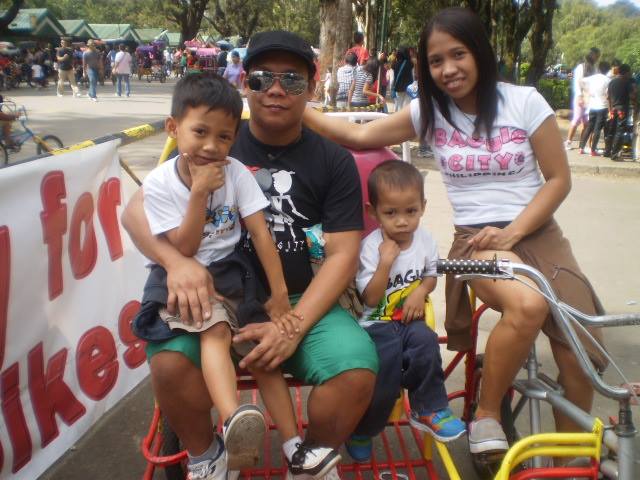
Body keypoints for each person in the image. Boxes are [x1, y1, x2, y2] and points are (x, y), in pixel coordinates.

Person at [303, 7, 607, 462]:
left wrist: (516, 232)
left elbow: (558, 180)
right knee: (527, 305)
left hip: (539, 234)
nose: (448, 69)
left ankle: (569, 463)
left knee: (579, 357)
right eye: (436, 61)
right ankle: (485, 413)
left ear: (479, 52)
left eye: (457, 55)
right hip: (477, 241)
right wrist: (294, 106)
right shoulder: (430, 111)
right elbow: (357, 136)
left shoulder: (525, 102)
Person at [122, 30, 377, 480]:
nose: (275, 89)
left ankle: (310, 455)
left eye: (292, 80)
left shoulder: (332, 160)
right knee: (168, 361)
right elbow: (134, 213)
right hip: (213, 295)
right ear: (245, 83)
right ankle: (207, 453)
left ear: (312, 88)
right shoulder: (211, 134)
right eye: (261, 78)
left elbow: (343, 254)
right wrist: (177, 263)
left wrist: (292, 326)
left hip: (298, 299)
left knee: (355, 371)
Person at [345, 160, 465, 462]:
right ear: (373, 212)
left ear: (422, 207)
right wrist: (386, 262)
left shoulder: (425, 239)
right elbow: (371, 299)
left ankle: (429, 409)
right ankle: (364, 428)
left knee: (426, 343)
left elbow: (430, 273)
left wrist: (422, 292)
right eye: (391, 213)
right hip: (375, 324)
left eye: (410, 211)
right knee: (385, 368)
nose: (402, 221)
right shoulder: (371, 247)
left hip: (410, 321)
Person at [564, 47, 600, 150]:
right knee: (576, 119)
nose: (597, 58)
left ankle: (582, 144)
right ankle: (568, 142)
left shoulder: (595, 69)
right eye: (596, 56)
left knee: (587, 122)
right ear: (592, 56)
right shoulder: (581, 67)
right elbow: (577, 83)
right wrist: (580, 96)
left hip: (590, 98)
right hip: (580, 96)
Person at [604, 63, 637, 160]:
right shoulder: (627, 82)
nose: (630, 74)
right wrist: (634, 92)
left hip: (613, 109)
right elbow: (632, 97)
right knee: (620, 131)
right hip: (622, 109)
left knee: (611, 130)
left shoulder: (612, 82)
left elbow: (608, 97)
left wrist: (610, 110)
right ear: (626, 72)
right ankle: (614, 154)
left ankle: (607, 151)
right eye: (629, 72)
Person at [578, 61, 610, 156]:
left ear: (599, 69)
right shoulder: (608, 80)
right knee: (597, 129)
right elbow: (608, 93)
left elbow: (580, 81)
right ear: (608, 70)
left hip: (593, 106)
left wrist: (588, 90)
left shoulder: (592, 78)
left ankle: (581, 147)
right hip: (603, 106)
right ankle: (593, 150)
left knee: (589, 127)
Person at [391, 46, 414, 112]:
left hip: (398, 88)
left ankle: (399, 120)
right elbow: (413, 76)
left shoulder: (395, 64)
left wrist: (392, 87)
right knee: (407, 106)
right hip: (409, 88)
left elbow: (392, 78)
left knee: (399, 105)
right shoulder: (410, 63)